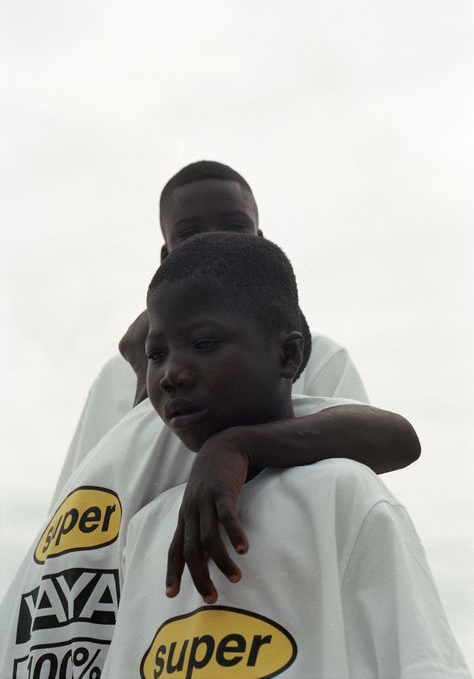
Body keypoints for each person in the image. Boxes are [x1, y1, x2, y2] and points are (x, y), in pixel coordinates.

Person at [102, 232, 470, 678]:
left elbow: (421, 664)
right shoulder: (146, 529)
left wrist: (236, 443)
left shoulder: (342, 494)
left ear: (288, 355)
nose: (171, 375)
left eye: (203, 344)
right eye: (156, 354)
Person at [51, 159, 381, 505]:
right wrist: (142, 380)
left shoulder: (321, 356)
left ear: (260, 240)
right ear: (166, 256)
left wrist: (238, 446)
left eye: (234, 226)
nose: (214, 240)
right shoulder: (117, 373)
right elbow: (81, 500)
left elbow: (370, 453)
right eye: (191, 233)